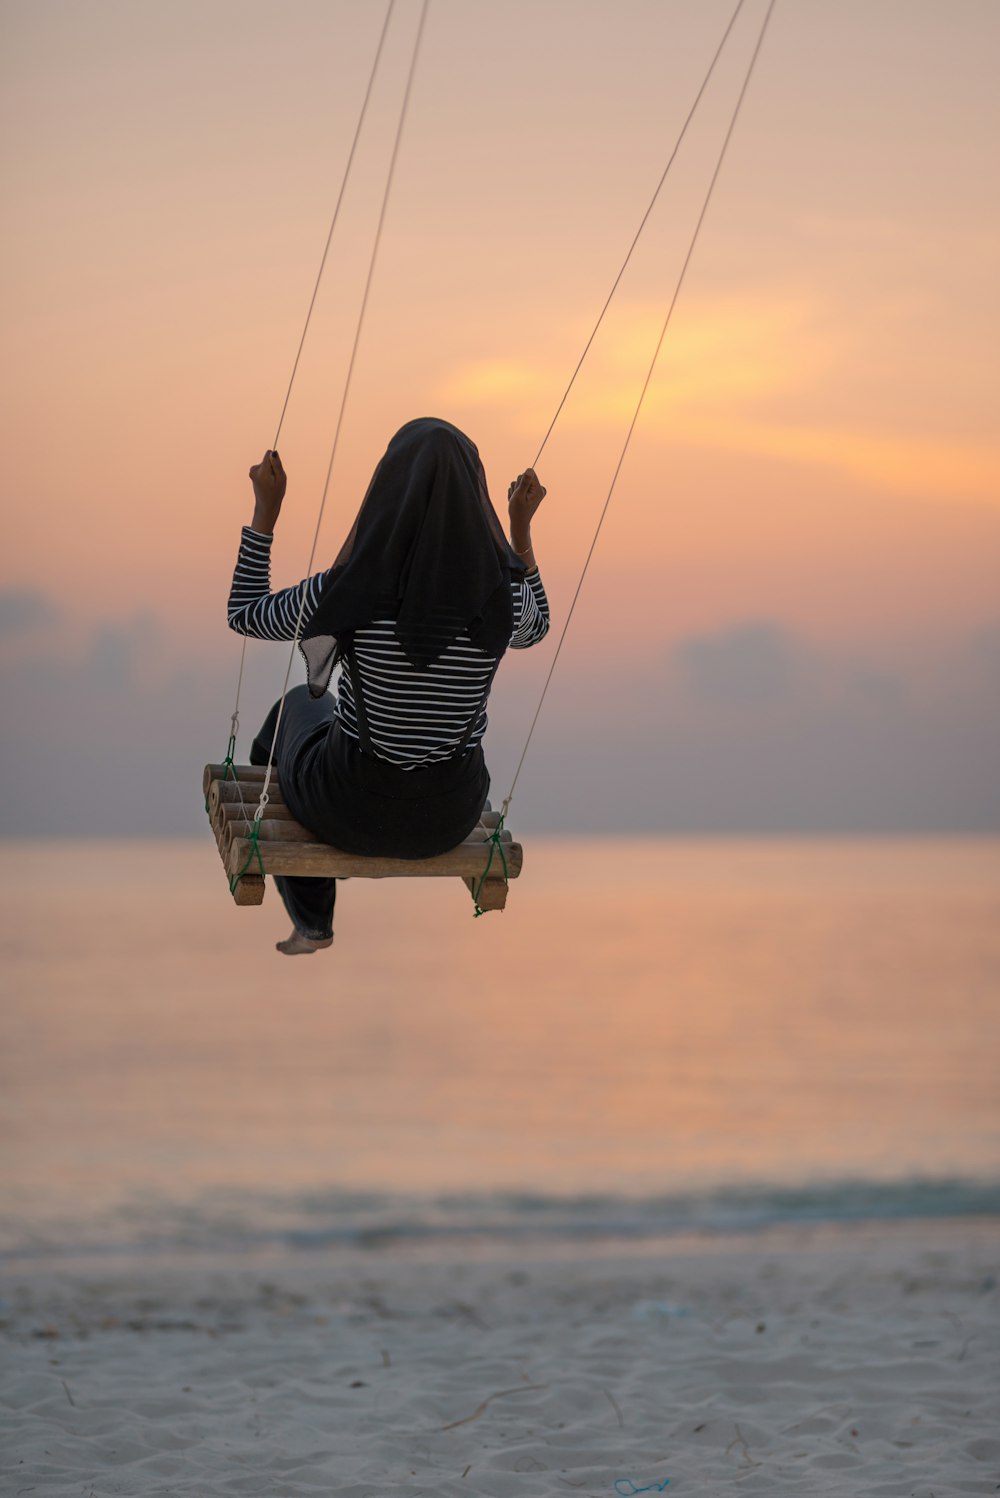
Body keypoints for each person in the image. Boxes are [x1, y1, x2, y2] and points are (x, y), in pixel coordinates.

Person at [227, 416, 550, 955]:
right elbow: (537, 625)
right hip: (449, 814)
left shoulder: (353, 588)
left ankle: (311, 919)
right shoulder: (498, 595)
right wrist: (520, 529)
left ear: (388, 493)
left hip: (349, 805)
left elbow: (245, 613)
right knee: (338, 725)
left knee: (294, 712)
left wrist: (266, 512)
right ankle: (315, 911)